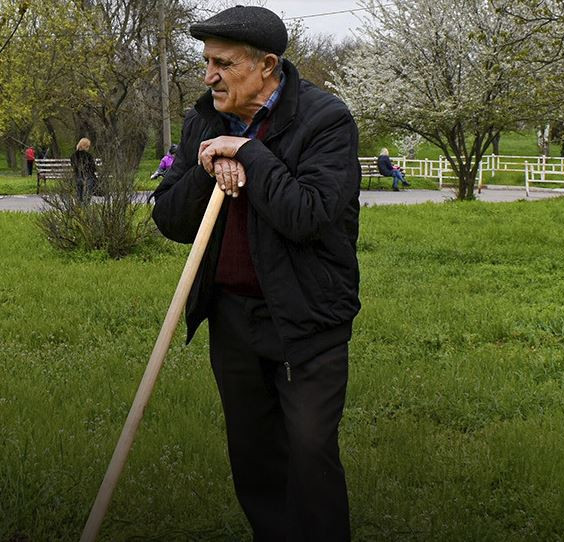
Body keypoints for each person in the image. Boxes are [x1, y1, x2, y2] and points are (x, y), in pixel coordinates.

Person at [151, 6, 360, 540]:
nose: (209, 76)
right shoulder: (204, 119)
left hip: (306, 316)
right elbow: (170, 219)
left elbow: (307, 215)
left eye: (223, 64)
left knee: (310, 453)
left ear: (267, 65)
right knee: (254, 454)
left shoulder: (325, 121)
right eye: (206, 62)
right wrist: (206, 166)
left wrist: (249, 151)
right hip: (234, 317)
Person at [70, 137, 99, 201]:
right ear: (85, 146)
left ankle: (79, 209)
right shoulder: (88, 156)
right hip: (88, 178)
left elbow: (74, 166)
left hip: (77, 177)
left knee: (79, 197)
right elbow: (93, 168)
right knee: (87, 197)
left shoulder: (73, 156)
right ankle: (86, 209)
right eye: (88, 146)